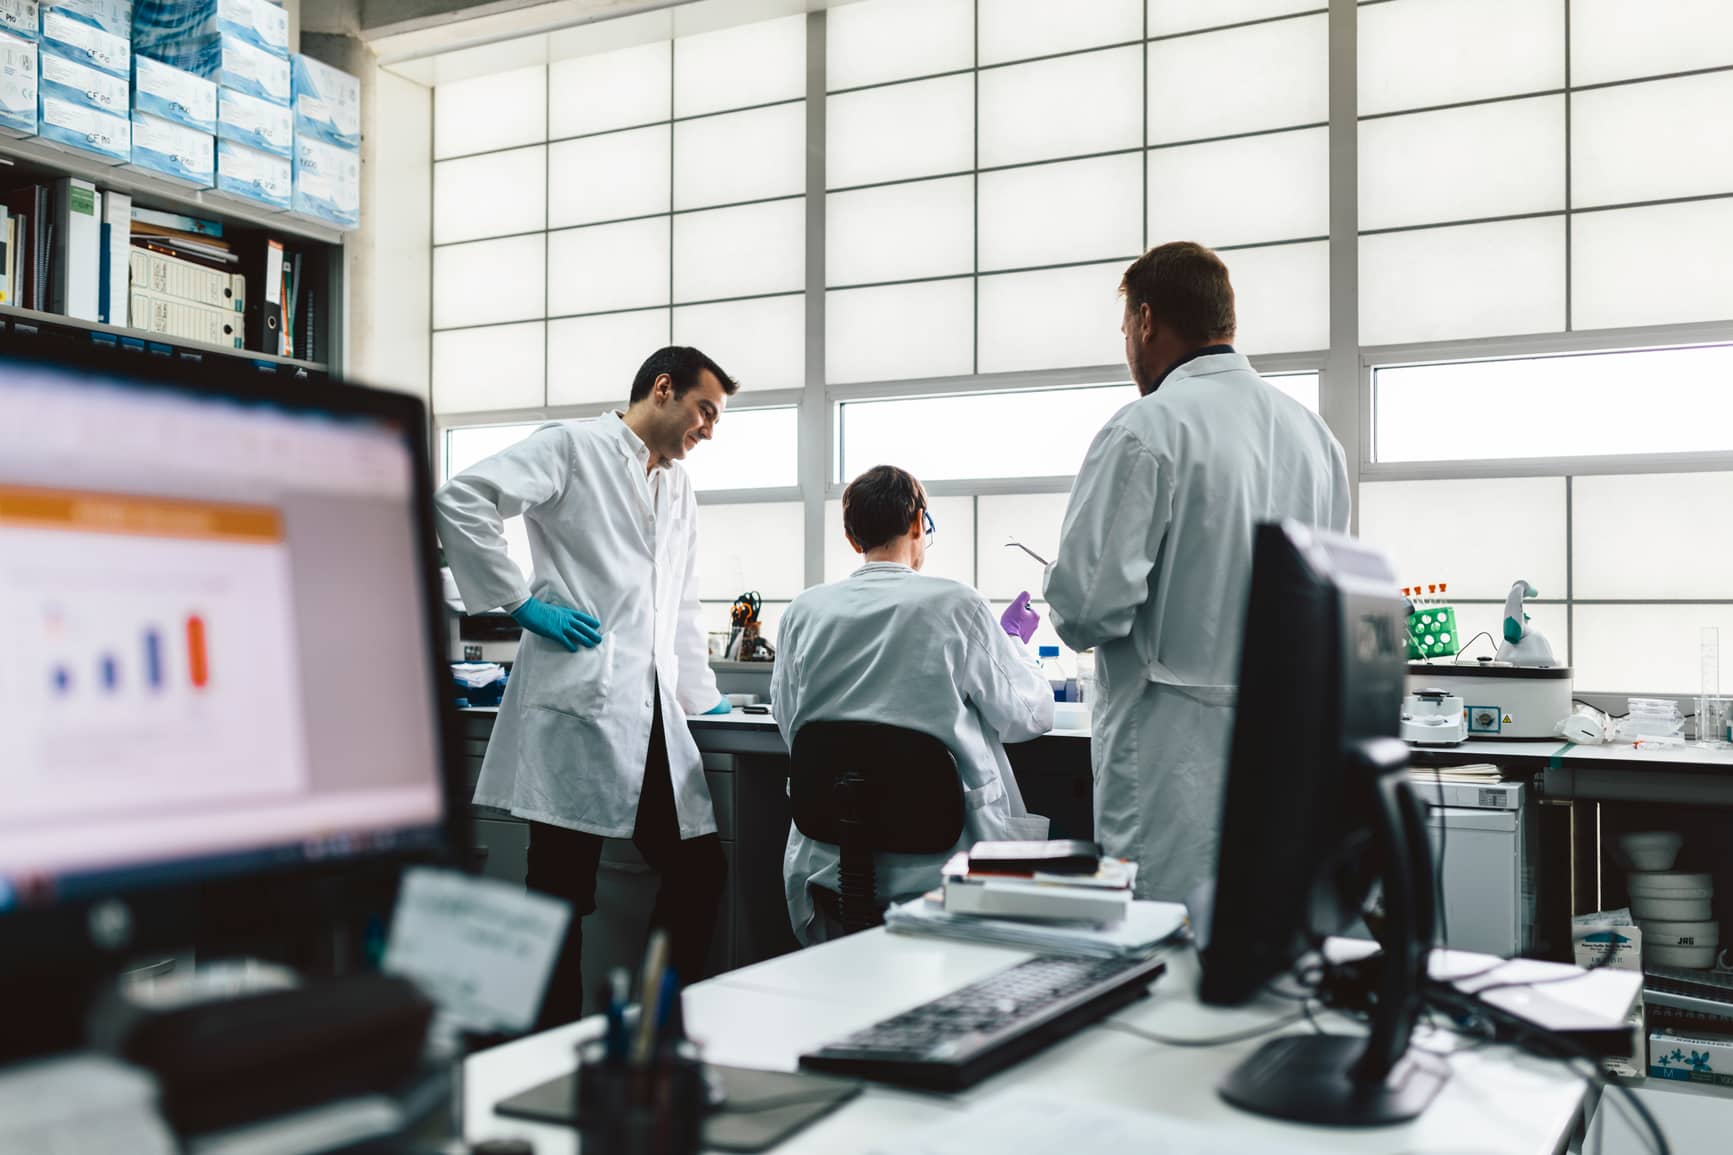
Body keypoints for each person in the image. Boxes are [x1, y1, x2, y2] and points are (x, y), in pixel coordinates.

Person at [434, 346, 738, 1028]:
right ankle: (546, 1050)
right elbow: (462, 498)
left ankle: (654, 1033)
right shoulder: (573, 446)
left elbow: (679, 604)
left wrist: (705, 698)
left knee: (697, 872)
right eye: (705, 411)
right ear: (664, 389)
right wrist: (519, 603)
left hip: (652, 707)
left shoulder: (677, 486)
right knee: (558, 897)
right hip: (576, 702)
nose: (709, 430)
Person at [1043, 241, 1351, 904]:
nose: (1127, 345)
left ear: (1147, 321)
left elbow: (1084, 610)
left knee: (1165, 953)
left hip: (1167, 765)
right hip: (1280, 758)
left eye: (1126, 329)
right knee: (1259, 950)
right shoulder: (1315, 438)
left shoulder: (1146, 428)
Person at [772, 465, 1054, 945]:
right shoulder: (956, 604)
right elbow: (1031, 716)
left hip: (829, 864)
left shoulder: (803, 611)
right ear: (919, 523)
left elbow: (789, 724)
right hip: (944, 868)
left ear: (849, 535)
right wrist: (1012, 644)